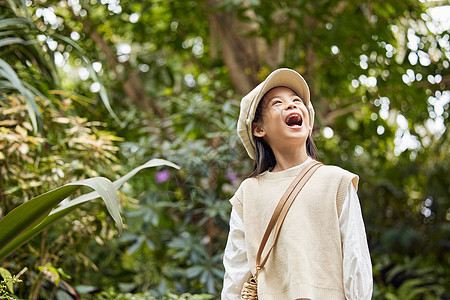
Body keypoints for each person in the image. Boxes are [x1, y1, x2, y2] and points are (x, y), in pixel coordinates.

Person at [221, 68, 373, 299]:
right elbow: (235, 275)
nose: (291, 105)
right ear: (258, 129)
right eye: (277, 103)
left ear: (309, 122)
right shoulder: (248, 194)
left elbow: (356, 262)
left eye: (296, 100)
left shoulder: (337, 182)